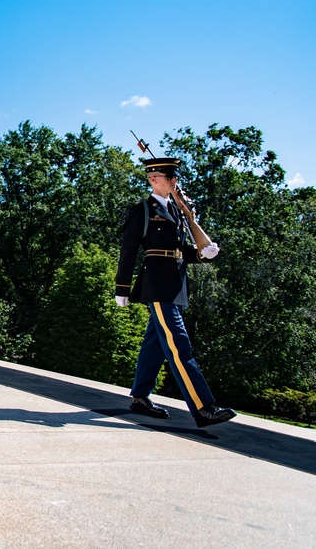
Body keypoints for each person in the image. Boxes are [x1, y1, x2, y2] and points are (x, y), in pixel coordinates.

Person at [114, 157, 237, 428]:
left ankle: (140, 397)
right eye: (168, 177)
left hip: (177, 284)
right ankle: (204, 408)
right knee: (179, 345)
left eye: (175, 177)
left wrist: (203, 254)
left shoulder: (181, 213)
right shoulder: (143, 210)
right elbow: (129, 249)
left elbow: (180, 252)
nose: (174, 181)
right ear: (153, 179)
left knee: (155, 344)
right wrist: (121, 287)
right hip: (157, 285)